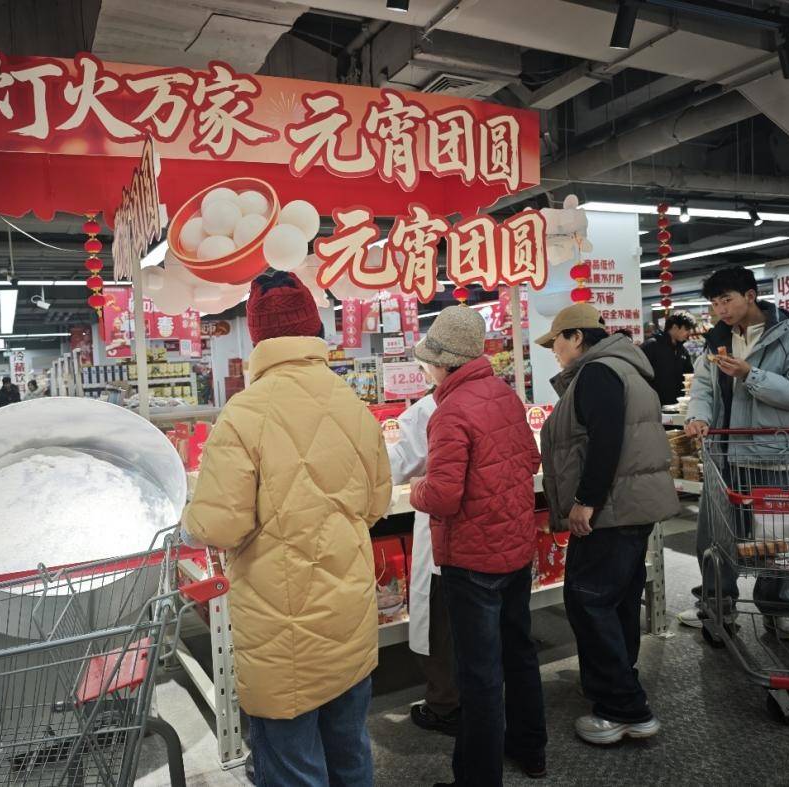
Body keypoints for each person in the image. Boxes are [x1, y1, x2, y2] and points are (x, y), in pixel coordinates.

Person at [184, 270, 391, 787]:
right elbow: (377, 502)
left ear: (257, 337)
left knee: (293, 767)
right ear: (312, 328)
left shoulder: (244, 413)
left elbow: (219, 525)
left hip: (281, 628)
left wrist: (188, 520)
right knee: (350, 752)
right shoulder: (351, 403)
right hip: (349, 611)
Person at [409, 306, 546, 786]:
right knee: (519, 653)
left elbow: (443, 496)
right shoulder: (505, 396)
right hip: (515, 547)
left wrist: (416, 490)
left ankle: (477, 777)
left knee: (479, 675)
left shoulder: (450, 411)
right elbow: (530, 461)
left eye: (427, 361)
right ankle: (530, 750)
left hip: (471, 559)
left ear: (442, 363)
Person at [536, 304, 680, 746]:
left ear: (577, 337)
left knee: (589, 602)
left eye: (557, 341)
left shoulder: (598, 373)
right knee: (616, 602)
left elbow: (606, 442)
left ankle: (624, 709)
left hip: (612, 510)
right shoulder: (625, 368)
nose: (554, 350)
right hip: (630, 507)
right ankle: (615, 684)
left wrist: (586, 501)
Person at [678, 266, 789, 640]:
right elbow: (703, 389)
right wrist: (698, 417)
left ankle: (779, 611)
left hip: (776, 454)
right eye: (715, 303)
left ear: (751, 296)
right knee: (717, 538)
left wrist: (749, 374)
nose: (721, 309)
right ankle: (717, 605)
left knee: (779, 538)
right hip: (724, 454)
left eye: (727, 300)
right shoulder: (716, 339)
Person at [387, 393, 460, 737]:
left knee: (438, 622)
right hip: (494, 539)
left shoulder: (429, 410)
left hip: (444, 537)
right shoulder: (501, 397)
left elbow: (398, 464)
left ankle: (446, 704)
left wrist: (418, 488)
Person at [641, 312, 696, 405]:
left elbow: (689, 375)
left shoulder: (683, 351)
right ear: (674, 327)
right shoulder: (651, 346)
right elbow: (640, 373)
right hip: (655, 404)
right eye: (686, 329)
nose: (689, 333)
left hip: (678, 405)